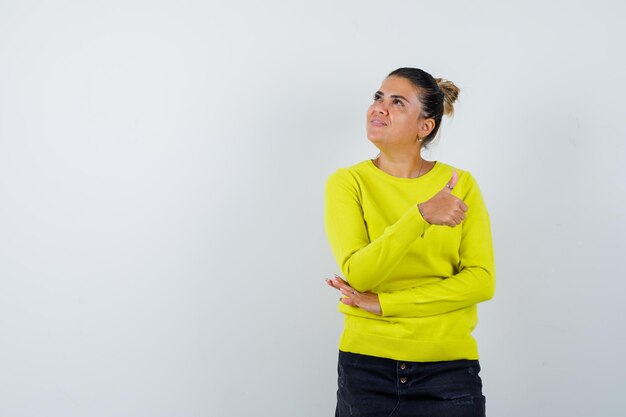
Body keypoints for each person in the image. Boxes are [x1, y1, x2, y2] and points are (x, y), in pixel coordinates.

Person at [324, 67, 495, 417]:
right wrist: (420, 215)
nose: (379, 108)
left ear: (424, 126)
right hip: (367, 368)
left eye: (397, 102)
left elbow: (481, 281)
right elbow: (360, 274)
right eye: (378, 97)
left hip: (447, 370)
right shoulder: (347, 183)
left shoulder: (461, 184)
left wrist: (386, 304)